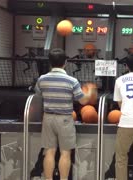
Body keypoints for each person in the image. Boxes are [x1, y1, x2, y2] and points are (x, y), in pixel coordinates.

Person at [35, 48, 96, 180]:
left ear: (50, 63)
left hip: (48, 118)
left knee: (49, 151)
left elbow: (38, 94)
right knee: (65, 152)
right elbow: (83, 100)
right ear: (66, 62)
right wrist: (90, 91)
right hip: (65, 120)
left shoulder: (42, 79)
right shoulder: (71, 81)